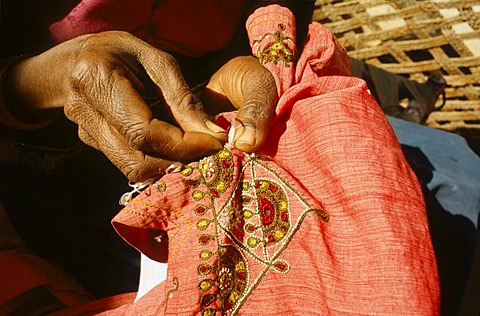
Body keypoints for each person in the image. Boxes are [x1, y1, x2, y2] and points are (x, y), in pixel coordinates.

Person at [0, 0, 478, 315]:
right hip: (38, 185)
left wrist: (238, 73)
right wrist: (28, 85)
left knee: (464, 186)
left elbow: (268, 18)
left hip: (221, 126)